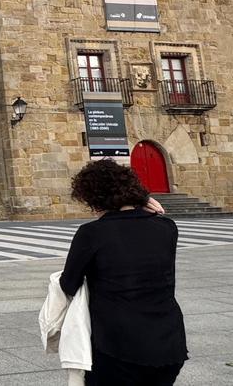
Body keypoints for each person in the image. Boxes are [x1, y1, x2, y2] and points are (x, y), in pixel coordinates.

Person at [60, 160, 187, 385]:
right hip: (169, 344)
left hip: (117, 348)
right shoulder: (167, 228)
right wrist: (142, 198)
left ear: (92, 197)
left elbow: (68, 284)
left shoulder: (92, 233)